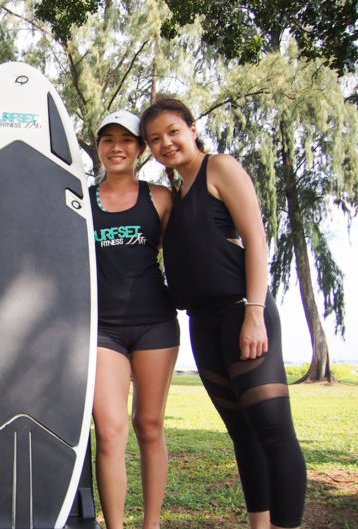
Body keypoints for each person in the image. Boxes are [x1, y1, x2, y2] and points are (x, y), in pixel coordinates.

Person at [140, 98, 306, 529]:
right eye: (155, 139)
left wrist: (254, 312)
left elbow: (256, 239)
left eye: (173, 131)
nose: (166, 143)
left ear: (192, 129)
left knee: (271, 427)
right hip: (201, 322)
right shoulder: (173, 198)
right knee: (242, 434)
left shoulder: (221, 168)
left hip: (241, 311)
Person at [91, 111, 179, 529]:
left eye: (126, 140)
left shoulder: (161, 198)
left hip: (154, 325)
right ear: (98, 147)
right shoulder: (81, 202)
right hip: (101, 329)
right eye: (107, 140)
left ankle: (152, 523)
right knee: (109, 430)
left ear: (141, 149)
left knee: (149, 425)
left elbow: (187, 248)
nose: (117, 148)